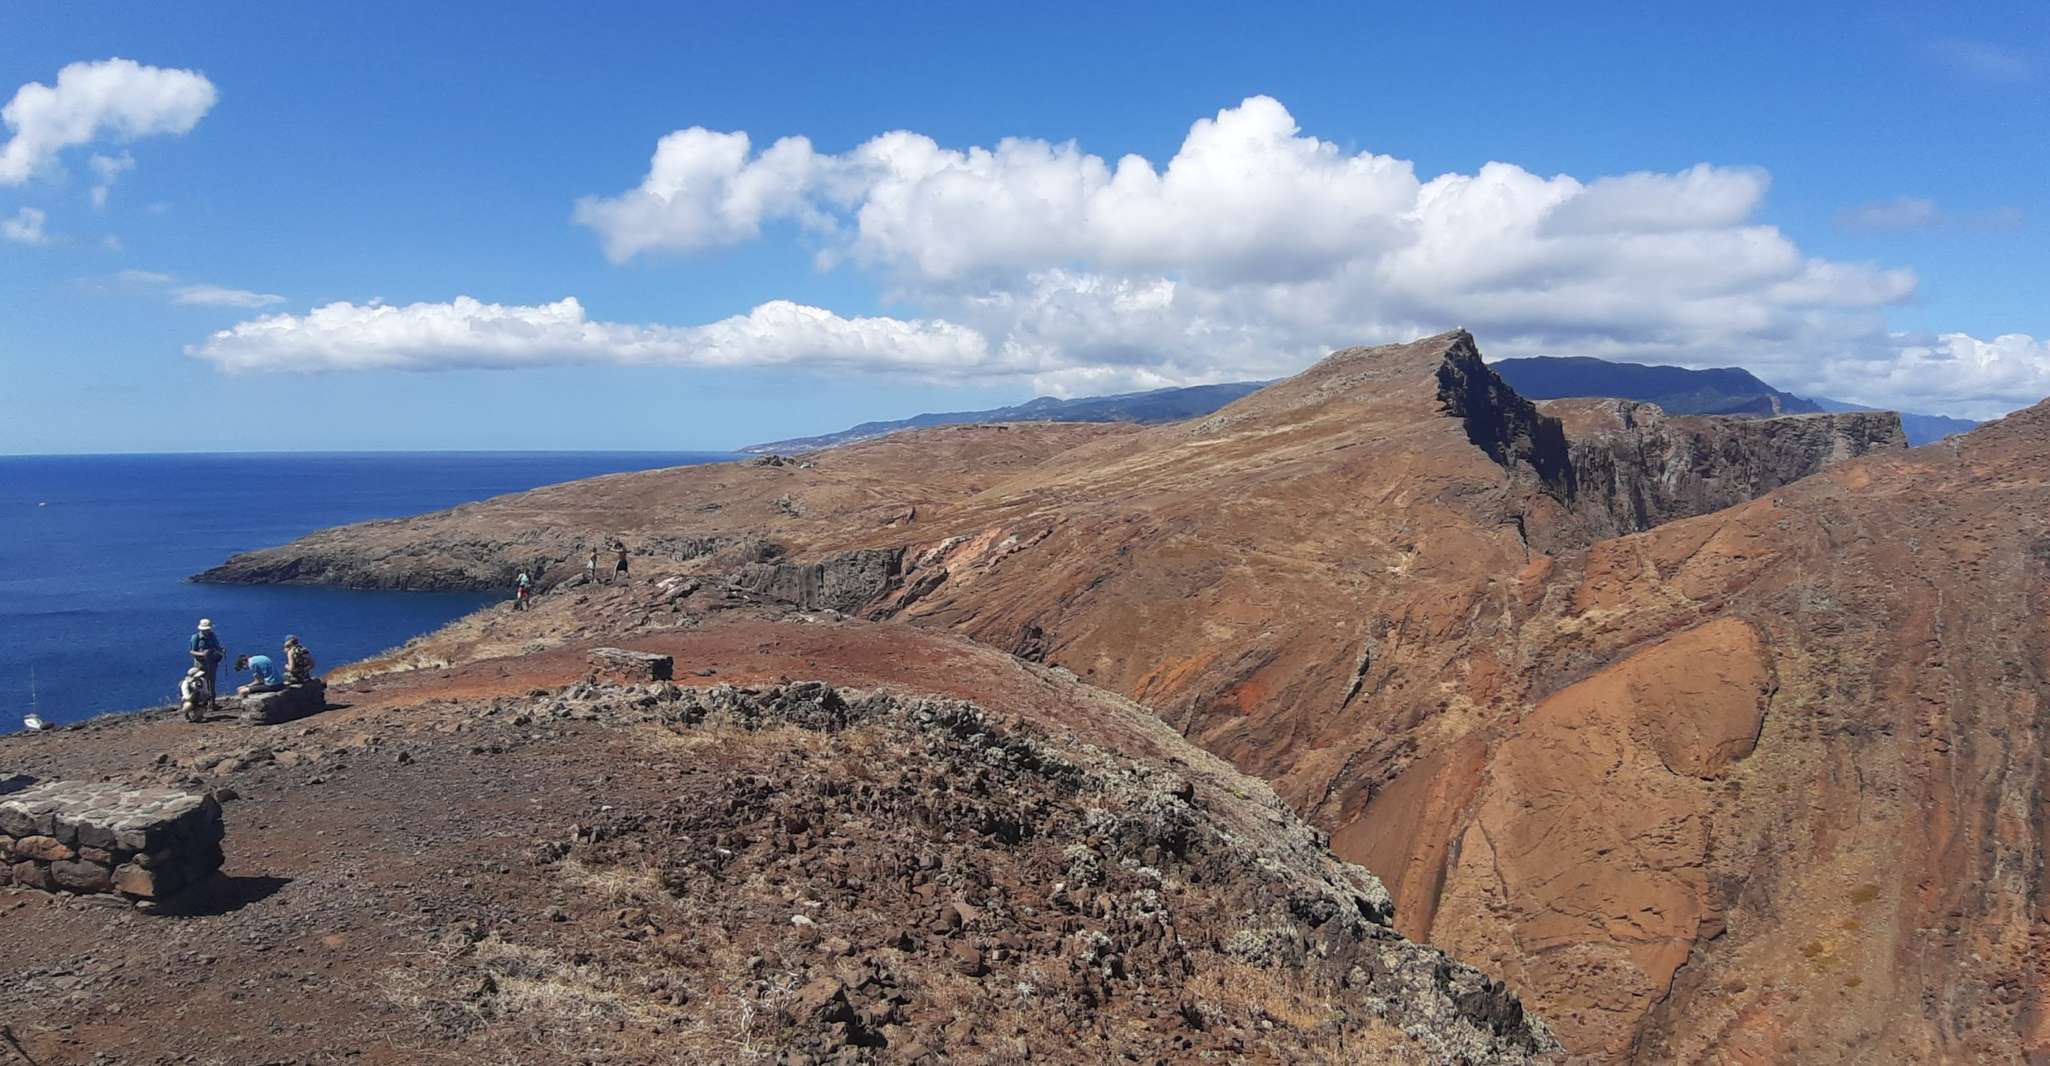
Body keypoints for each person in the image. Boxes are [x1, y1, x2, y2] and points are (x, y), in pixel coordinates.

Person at [188, 619, 224, 712]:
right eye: (205, 630)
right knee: (200, 683)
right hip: (200, 664)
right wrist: (202, 654)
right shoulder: (195, 637)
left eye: (208, 629)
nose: (207, 631)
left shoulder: (212, 636)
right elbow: (191, 651)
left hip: (212, 663)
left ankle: (212, 703)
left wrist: (220, 650)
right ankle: (201, 704)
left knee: (211, 683)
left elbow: (217, 646)